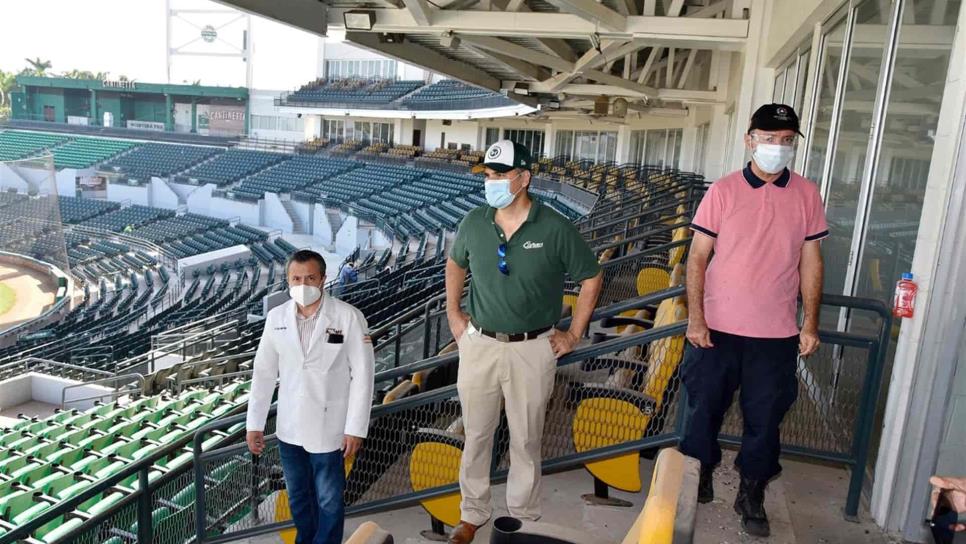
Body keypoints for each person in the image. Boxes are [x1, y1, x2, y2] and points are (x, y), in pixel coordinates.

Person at [679, 104, 828, 537]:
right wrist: (696, 320)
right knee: (704, 407)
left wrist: (810, 323)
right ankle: (702, 470)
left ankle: (752, 491)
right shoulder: (723, 191)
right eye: (768, 138)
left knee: (765, 419)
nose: (776, 147)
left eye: (786, 141)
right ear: (750, 139)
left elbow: (811, 262)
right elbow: (698, 259)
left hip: (776, 335)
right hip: (717, 331)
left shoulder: (806, 194)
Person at [445, 140, 604, 544]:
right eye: (489, 175)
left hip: (534, 347)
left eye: (500, 175)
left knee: (526, 437)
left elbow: (591, 276)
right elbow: (455, 263)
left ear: (524, 178)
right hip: (480, 343)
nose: (492, 182)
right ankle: (473, 514)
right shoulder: (474, 222)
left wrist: (574, 332)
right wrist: (454, 314)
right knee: (476, 435)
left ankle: (522, 516)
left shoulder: (553, 227)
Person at [246, 249, 375, 544]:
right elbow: (264, 373)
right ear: (288, 281)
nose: (303, 284)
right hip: (290, 429)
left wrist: (355, 429)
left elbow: (363, 376)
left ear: (323, 278)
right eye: (296, 278)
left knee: (329, 499)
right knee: (299, 497)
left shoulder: (348, 317)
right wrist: (255, 423)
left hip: (330, 428)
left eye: (310, 278)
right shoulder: (276, 318)